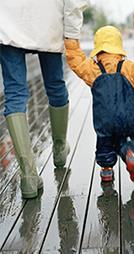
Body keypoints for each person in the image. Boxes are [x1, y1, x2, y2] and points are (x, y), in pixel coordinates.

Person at [0, 0, 88, 198]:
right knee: (55, 86)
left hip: (6, 21)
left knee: (14, 93)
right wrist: (72, 33)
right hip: (48, 21)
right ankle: (59, 147)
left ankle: (28, 175)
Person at [64, 25, 134, 183]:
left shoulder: (93, 69)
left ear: (98, 49)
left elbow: (76, 63)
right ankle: (130, 153)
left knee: (105, 143)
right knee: (133, 140)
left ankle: (106, 171)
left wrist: (71, 42)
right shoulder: (128, 67)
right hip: (128, 118)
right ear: (119, 48)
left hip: (104, 121)